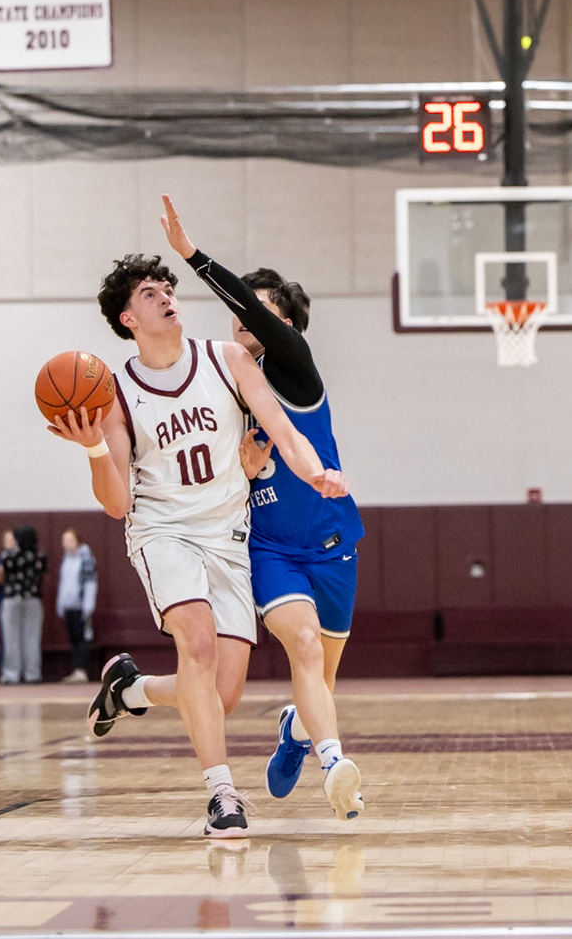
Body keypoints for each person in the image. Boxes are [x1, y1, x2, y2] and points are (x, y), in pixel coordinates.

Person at [50, 252, 347, 838]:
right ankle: (222, 796)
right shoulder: (115, 392)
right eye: (150, 293)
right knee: (200, 648)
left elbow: (284, 430)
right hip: (163, 531)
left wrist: (316, 473)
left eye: (167, 288)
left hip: (227, 535)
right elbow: (116, 502)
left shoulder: (227, 359)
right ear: (128, 318)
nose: (166, 296)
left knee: (220, 694)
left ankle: (130, 690)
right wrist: (93, 449)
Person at [161, 195, 366, 819]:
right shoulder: (225, 388)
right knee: (302, 644)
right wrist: (242, 470)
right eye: (238, 313)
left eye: (258, 313)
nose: (242, 320)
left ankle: (296, 730)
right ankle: (334, 763)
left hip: (332, 542)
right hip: (270, 548)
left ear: (289, 329)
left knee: (320, 678)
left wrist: (192, 255)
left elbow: (252, 309)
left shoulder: (297, 371)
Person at [0, 527, 46, 684]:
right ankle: (33, 673)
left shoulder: (8, 556)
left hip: (12, 598)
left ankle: (11, 674)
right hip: (33, 599)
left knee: (11, 638)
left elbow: (0, 577)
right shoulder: (39, 556)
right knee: (33, 638)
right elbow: (43, 575)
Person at [55, 528, 98, 683]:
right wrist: (61, 603)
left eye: (69, 540)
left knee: (82, 638)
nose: (66, 544)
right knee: (73, 638)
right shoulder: (66, 559)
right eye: (64, 540)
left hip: (81, 606)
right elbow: (64, 583)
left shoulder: (86, 558)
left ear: (77, 541)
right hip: (69, 605)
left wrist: (88, 605)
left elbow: (90, 582)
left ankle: (82, 670)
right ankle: (76, 669)